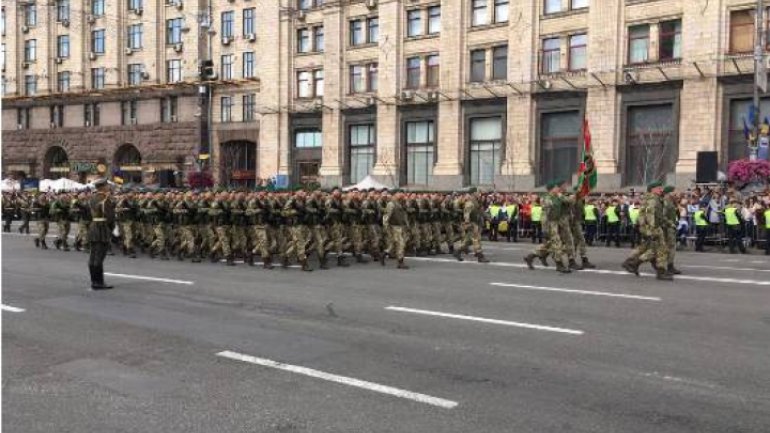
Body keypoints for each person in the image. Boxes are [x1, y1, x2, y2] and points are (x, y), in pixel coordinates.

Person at [622, 181, 672, 280]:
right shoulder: (653, 200)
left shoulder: (653, 199)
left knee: (646, 247)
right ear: (652, 189)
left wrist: (668, 223)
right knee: (659, 249)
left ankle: (630, 263)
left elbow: (658, 216)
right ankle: (658, 271)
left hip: (649, 227)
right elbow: (650, 215)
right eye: (659, 188)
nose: (661, 190)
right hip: (653, 228)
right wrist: (652, 230)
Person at [524, 180, 571, 274]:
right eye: (556, 187)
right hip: (550, 223)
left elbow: (567, 202)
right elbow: (545, 215)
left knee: (549, 244)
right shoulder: (546, 199)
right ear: (551, 189)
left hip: (557, 223)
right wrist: (544, 229)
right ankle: (559, 264)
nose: (558, 189)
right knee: (556, 243)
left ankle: (531, 256)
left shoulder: (557, 197)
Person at [87, 179, 115, 290]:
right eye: (107, 185)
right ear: (103, 187)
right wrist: (111, 230)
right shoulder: (105, 199)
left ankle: (94, 281)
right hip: (102, 228)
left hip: (93, 226)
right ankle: (99, 282)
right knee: (99, 256)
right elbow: (110, 217)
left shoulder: (92, 198)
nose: (108, 187)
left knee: (93, 256)